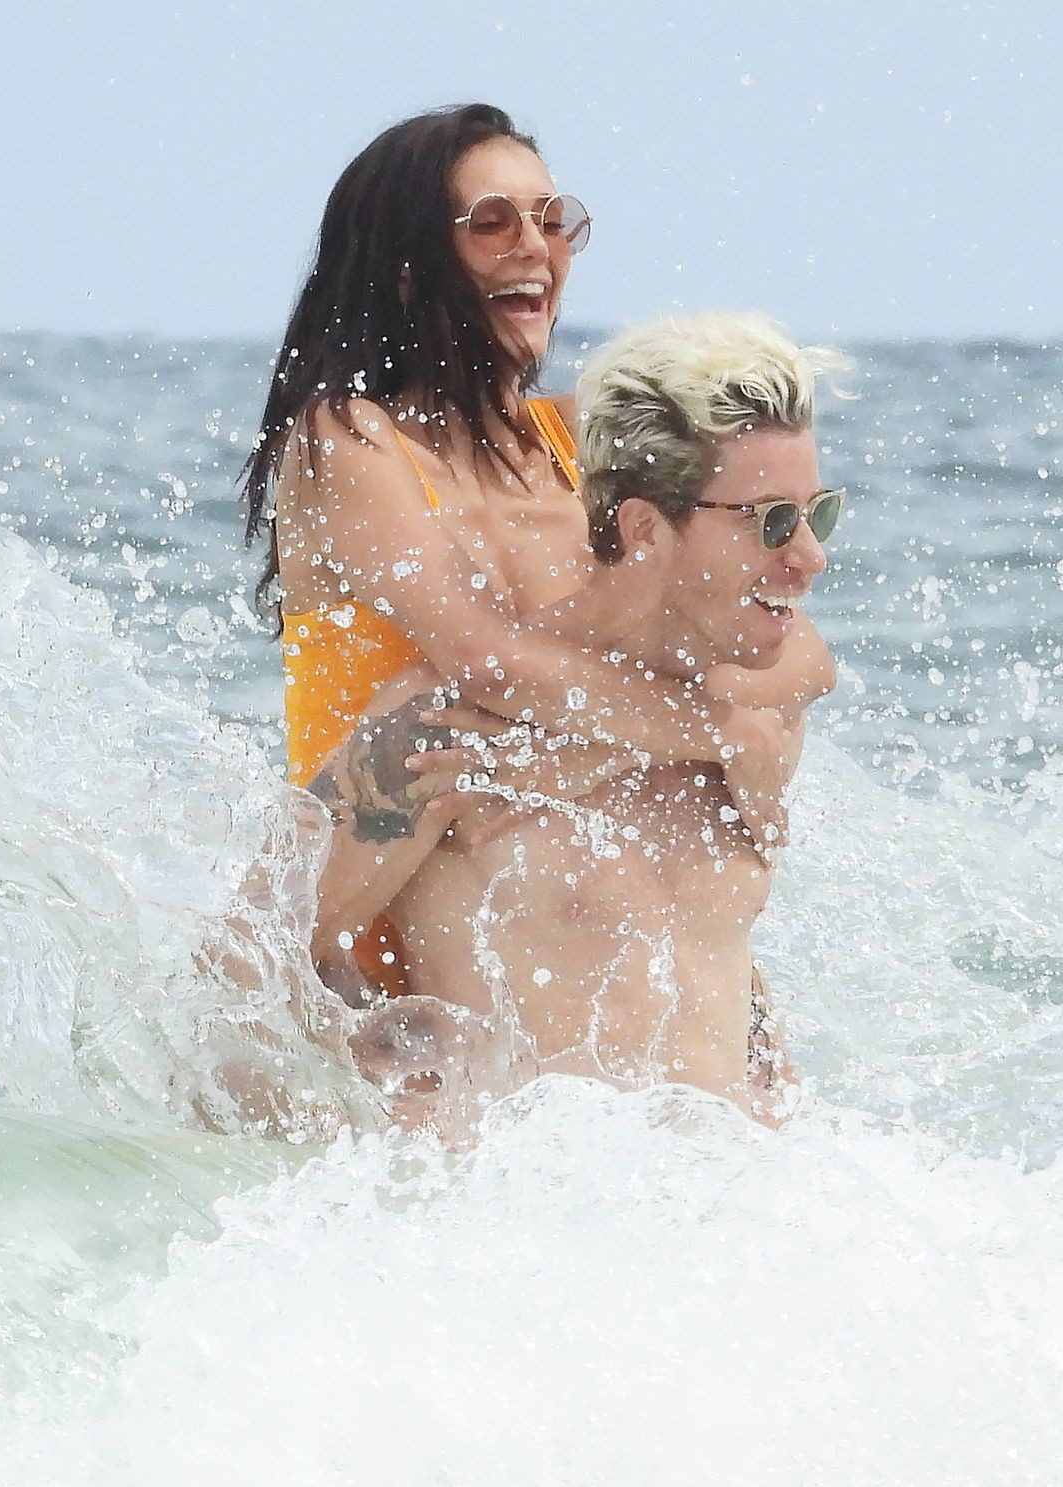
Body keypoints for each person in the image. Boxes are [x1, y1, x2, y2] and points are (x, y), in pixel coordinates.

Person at [237, 105, 834, 999]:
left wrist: (595, 750)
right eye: (493, 222)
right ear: (409, 266)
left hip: (530, 935)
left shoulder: (577, 441)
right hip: (346, 942)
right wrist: (719, 732)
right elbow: (483, 660)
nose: (535, 247)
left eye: (553, 220)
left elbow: (793, 649)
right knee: (434, 717)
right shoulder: (349, 439)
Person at [304, 312, 843, 1131]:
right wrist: (396, 1080)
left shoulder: (751, 702)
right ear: (644, 527)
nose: (810, 557)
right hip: (529, 1190)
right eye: (770, 521)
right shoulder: (453, 730)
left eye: (818, 514)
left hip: (735, 1190)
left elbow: (704, 962)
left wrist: (781, 1110)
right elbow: (251, 956)